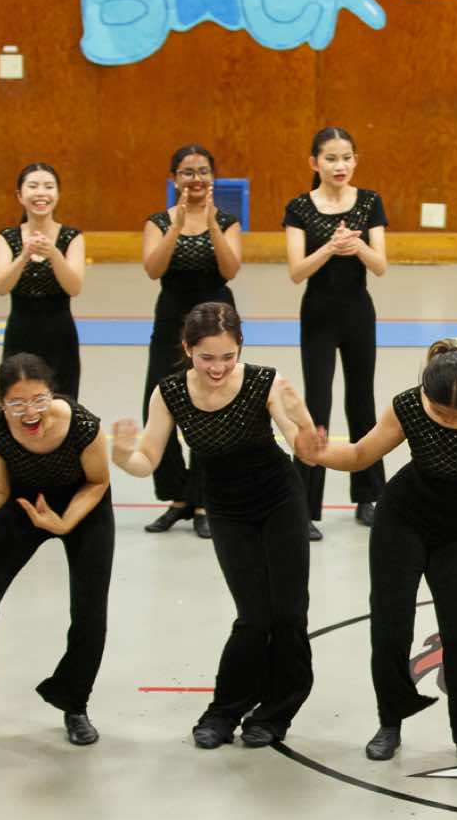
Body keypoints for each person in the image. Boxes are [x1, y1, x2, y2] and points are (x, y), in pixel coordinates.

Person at [297, 340, 457, 766]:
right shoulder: (409, 405)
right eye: (441, 411)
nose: (449, 418)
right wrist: (318, 455)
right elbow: (360, 454)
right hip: (403, 522)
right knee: (391, 627)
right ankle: (390, 722)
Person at [113, 303, 319, 750]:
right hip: (226, 508)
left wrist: (303, 423)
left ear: (240, 348)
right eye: (207, 357)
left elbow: (302, 447)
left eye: (228, 356)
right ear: (187, 349)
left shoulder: (266, 382)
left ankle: (275, 713)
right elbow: (146, 460)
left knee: (288, 613)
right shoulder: (169, 392)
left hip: (279, 500)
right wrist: (122, 453)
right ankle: (223, 711)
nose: (218, 367)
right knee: (253, 616)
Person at [0, 354, 112, 747]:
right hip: (23, 504)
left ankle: (75, 705)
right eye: (17, 404)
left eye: (39, 400)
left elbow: (98, 482)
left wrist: (64, 523)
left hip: (82, 507)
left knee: (89, 612)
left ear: (52, 394)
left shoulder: (83, 425)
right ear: (1, 403)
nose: (30, 412)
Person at [286, 127, 388, 540]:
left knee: (362, 402)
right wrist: (329, 247)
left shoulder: (369, 202)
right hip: (318, 315)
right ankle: (304, 506)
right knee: (316, 407)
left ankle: (369, 496)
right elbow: (296, 272)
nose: (339, 166)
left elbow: (380, 266)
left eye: (346, 158)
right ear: (314, 163)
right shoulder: (299, 207)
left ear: (355, 160)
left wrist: (357, 246)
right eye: (330, 158)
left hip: (358, 313)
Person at [139, 144, 242, 538]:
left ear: (212, 177)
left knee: (211, 405)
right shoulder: (158, 221)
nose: (196, 179)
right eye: (187, 172)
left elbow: (230, 269)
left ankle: (203, 501)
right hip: (172, 319)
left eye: (202, 171)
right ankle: (179, 495)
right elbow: (153, 269)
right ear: (174, 178)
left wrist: (211, 225)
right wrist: (177, 226)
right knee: (157, 401)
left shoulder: (227, 221)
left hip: (215, 319)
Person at [0, 163, 84, 400]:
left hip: (60, 335)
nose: (41, 193)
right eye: (33, 186)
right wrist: (23, 256)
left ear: (58, 194)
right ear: (20, 195)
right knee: (18, 402)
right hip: (20, 333)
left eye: (48, 186)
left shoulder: (72, 237)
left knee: (63, 404)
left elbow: (74, 287)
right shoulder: (7, 237)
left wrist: (54, 254)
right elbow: (1, 287)